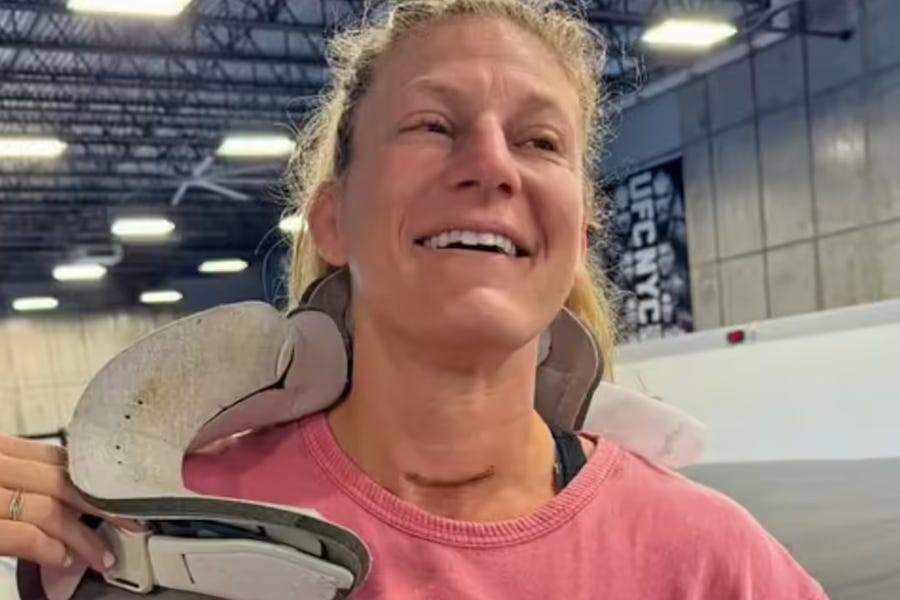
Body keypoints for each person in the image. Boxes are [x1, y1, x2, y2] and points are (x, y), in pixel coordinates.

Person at [1, 1, 827, 598]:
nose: (492, 166)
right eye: (433, 125)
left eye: (540, 141)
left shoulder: (712, 561)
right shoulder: (134, 537)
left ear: (577, 240)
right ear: (333, 220)